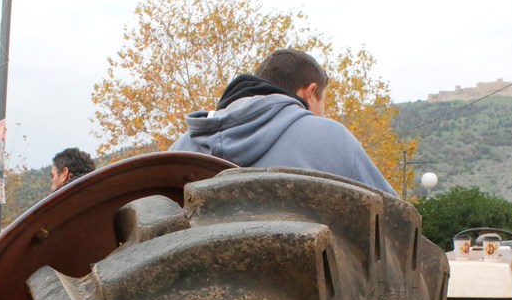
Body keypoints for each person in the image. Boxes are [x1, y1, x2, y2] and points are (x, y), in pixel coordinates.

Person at [170, 48, 396, 196]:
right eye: (323, 102)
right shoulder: (332, 138)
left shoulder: (182, 146)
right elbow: (397, 224)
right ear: (310, 93)